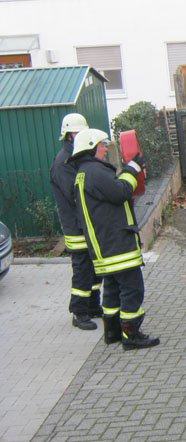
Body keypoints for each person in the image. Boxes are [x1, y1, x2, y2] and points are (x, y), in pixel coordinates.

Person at [71, 128, 160, 349]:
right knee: (132, 288)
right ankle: (131, 335)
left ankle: (113, 333)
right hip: (116, 243)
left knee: (111, 289)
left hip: (104, 245)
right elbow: (120, 192)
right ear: (90, 148)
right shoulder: (95, 172)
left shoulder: (84, 173)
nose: (104, 149)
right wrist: (132, 168)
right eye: (101, 145)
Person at [49, 113, 102, 330]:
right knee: (82, 268)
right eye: (78, 133)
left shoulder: (76, 156)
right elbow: (75, 194)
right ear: (69, 135)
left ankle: (93, 305)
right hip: (75, 225)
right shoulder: (63, 162)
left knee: (94, 267)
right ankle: (79, 313)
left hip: (86, 222)